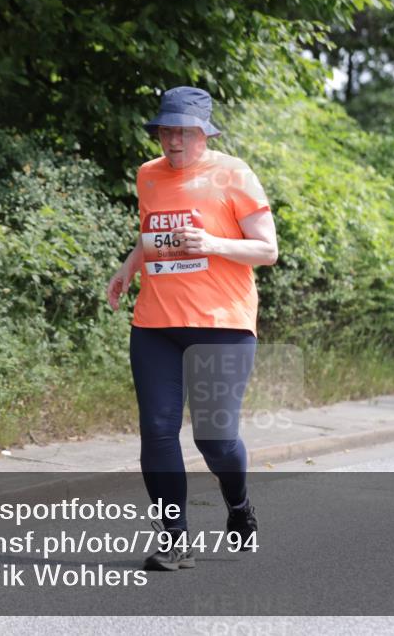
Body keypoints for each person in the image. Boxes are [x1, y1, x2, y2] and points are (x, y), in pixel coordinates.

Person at [106, 86, 278, 571]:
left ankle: (239, 506)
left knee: (214, 439)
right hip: (156, 323)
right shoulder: (148, 176)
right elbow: (152, 236)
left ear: (204, 132)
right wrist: (127, 267)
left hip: (221, 324)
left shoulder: (233, 173)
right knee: (157, 431)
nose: (173, 141)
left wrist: (212, 242)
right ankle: (174, 538)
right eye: (166, 130)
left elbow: (267, 250)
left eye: (183, 131)